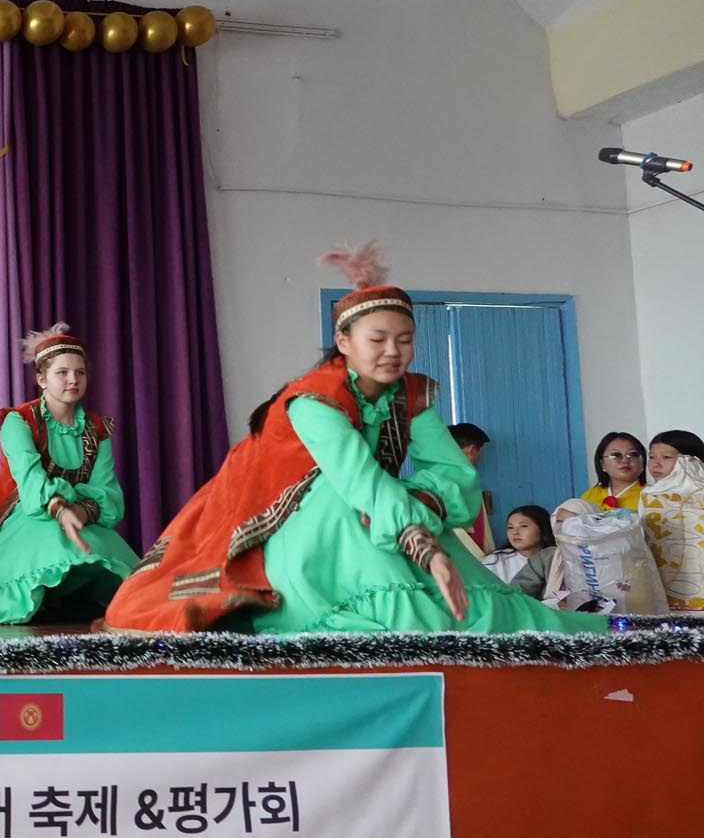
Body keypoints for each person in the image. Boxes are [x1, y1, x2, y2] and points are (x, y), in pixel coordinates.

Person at [101, 243, 605, 635]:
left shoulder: (410, 394)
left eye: (404, 339)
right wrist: (425, 547)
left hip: (379, 513)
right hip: (285, 510)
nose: (393, 352)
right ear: (344, 343)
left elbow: (455, 473)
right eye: (377, 340)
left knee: (481, 606)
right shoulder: (313, 401)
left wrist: (419, 502)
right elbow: (358, 481)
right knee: (348, 513)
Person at [0, 323, 138, 623]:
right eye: (62, 372)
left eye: (79, 372)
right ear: (41, 379)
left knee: (129, 584)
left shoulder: (97, 430)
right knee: (52, 544)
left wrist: (79, 511)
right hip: (28, 512)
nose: (73, 379)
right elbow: (30, 481)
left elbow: (109, 492)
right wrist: (60, 509)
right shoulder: (20, 421)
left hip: (80, 516)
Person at [642, 430, 704, 611]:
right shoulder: (648, 496)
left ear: (690, 460)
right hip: (664, 585)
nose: (656, 463)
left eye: (666, 457)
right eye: (651, 457)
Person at [489, 505, 558, 598]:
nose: (515, 532)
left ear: (542, 528)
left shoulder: (555, 557)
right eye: (510, 527)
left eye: (523, 526)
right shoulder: (494, 560)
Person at [447, 422, 494, 553]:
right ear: (471, 451)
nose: (480, 457)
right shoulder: (458, 483)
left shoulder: (432, 479)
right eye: (481, 452)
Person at [580, 432, 647, 511]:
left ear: (642, 462)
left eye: (633, 454)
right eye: (616, 455)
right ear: (602, 464)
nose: (625, 460)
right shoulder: (589, 496)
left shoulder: (651, 495)